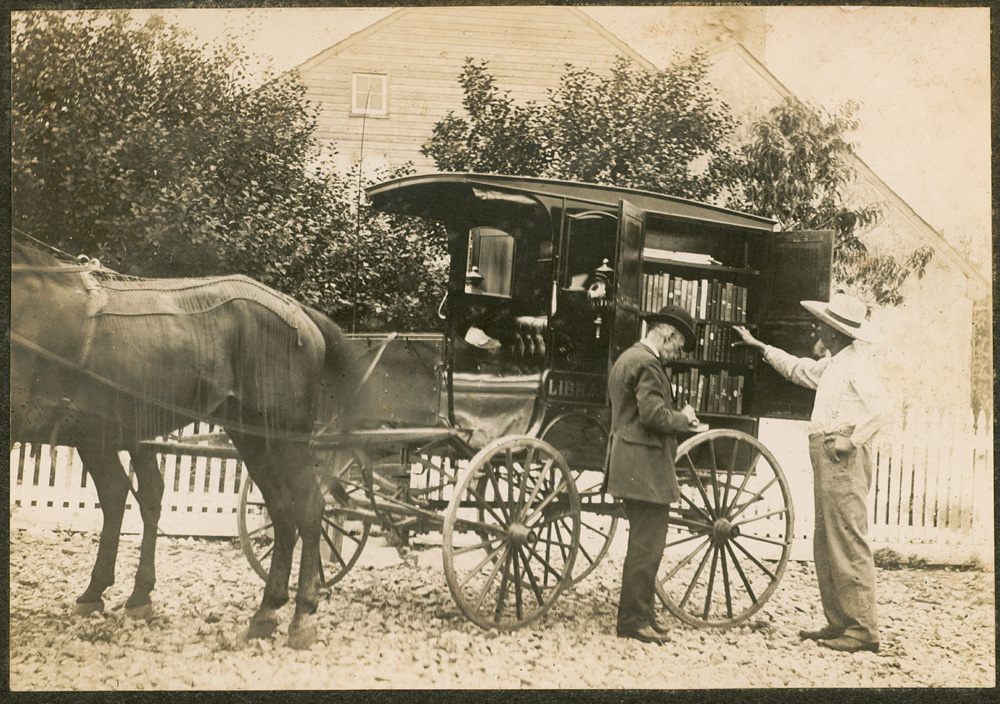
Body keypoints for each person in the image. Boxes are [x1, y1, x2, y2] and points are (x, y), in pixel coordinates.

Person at [733, 292, 891, 654]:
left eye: (822, 324)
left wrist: (852, 441)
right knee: (827, 541)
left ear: (835, 332)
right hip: (827, 455)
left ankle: (863, 630)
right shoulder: (835, 363)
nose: (817, 328)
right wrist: (759, 346)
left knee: (848, 539)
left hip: (843, 457)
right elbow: (797, 368)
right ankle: (839, 623)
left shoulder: (857, 365)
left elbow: (883, 408)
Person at [606, 304, 699, 644]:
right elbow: (654, 416)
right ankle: (632, 619)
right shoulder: (647, 363)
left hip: (631, 463)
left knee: (644, 544)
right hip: (644, 467)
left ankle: (643, 613)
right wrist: (684, 418)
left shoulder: (628, 357)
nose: (677, 354)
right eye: (678, 345)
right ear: (667, 334)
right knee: (648, 547)